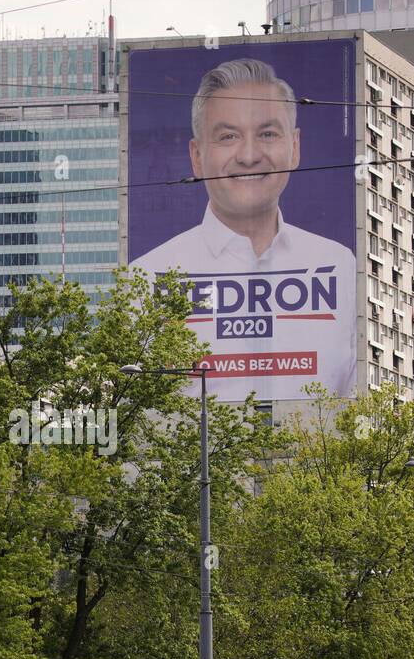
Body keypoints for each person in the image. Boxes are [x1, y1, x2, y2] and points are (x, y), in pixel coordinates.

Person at [129, 58, 357, 403]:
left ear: (294, 148)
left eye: (267, 134)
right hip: (191, 459)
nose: (249, 155)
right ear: (197, 156)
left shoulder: (339, 265)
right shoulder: (145, 278)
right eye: (227, 137)